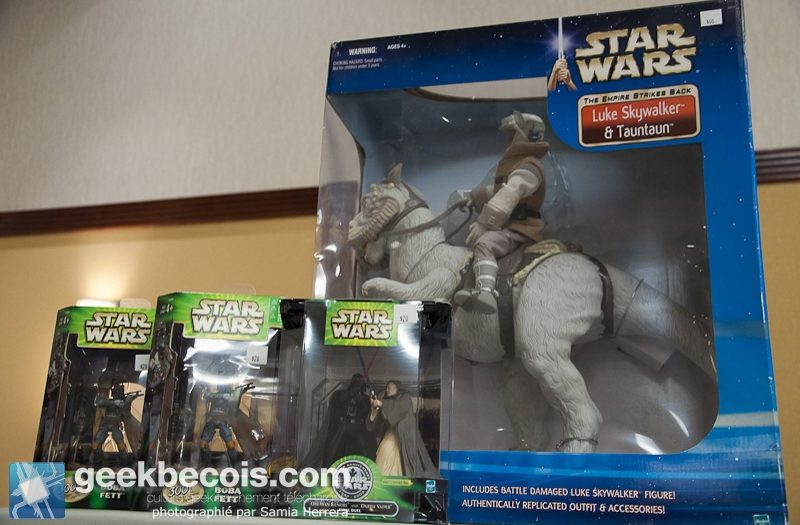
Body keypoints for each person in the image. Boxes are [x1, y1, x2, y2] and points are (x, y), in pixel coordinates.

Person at [454, 111, 550, 314]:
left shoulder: (529, 167)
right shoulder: (519, 164)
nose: (508, 139)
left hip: (521, 228)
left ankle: (486, 292)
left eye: (512, 134)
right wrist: (475, 197)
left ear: (524, 135)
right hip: (513, 225)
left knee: (485, 244)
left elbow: (509, 195)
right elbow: (498, 190)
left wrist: (484, 222)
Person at [368, 380, 437, 478]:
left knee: (399, 462)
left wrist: (381, 404)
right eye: (386, 387)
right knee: (385, 454)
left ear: (397, 388)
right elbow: (375, 421)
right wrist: (374, 408)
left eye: (390, 387)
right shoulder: (384, 398)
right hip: (390, 435)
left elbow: (396, 412)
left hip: (405, 436)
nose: (387, 390)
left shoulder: (405, 398)